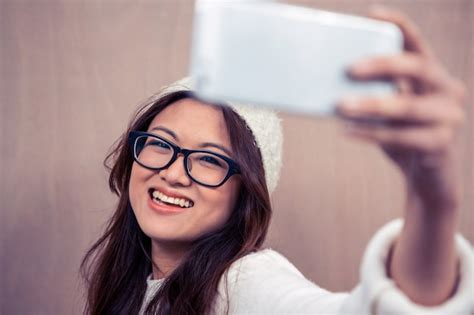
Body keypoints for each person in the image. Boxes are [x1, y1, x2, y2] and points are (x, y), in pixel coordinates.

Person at [80, 6, 473, 315]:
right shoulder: (131, 282)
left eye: (209, 160)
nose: (172, 172)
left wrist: (433, 199)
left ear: (245, 193)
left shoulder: (243, 283)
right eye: (161, 144)